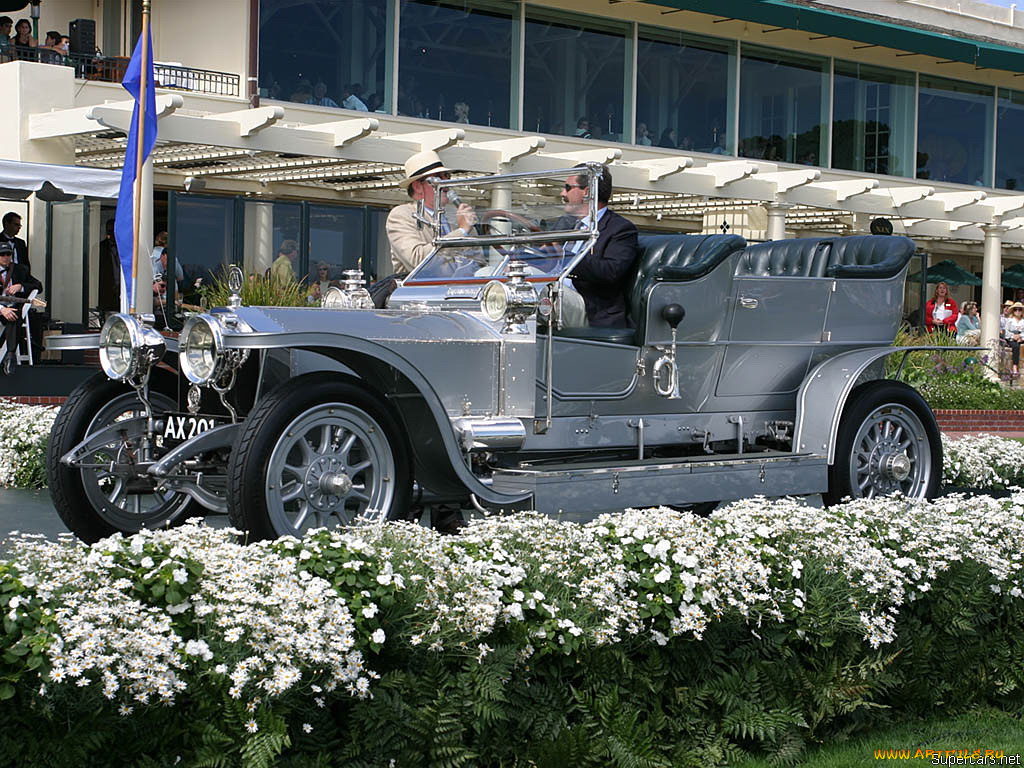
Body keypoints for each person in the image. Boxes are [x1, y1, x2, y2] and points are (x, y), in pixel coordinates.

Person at [560, 165, 639, 328]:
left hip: (591, 309)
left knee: (532, 294)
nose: (562, 193)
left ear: (587, 192)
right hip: (560, 296)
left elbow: (610, 271)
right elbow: (544, 258)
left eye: (567, 188)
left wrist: (564, 257)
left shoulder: (620, 229)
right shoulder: (564, 225)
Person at [386, 149, 476, 274]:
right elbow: (417, 260)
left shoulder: (458, 219)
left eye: (447, 176)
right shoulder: (402, 215)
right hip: (422, 292)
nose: (446, 183)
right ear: (417, 186)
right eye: (438, 178)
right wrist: (461, 231)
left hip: (463, 291)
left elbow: (478, 262)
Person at [0, 240, 41, 374]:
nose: (6, 257)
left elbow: (38, 286)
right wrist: (2, 309)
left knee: (15, 314)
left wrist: (21, 286)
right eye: (2, 254)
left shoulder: (20, 269)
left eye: (9, 254)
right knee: (11, 312)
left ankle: (10, 354)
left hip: (13, 309)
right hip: (0, 307)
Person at [98, 219, 120, 316]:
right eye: (109, 231)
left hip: (120, 287)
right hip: (107, 288)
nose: (112, 235)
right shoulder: (101, 247)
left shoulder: (123, 247)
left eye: (114, 231)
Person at [1005, 302, 1024, 375]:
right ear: (1013, 311)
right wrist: (1013, 336)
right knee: (1016, 347)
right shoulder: (1009, 320)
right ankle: (1015, 366)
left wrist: (1021, 337)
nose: (1018, 311)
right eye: (1016, 310)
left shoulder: (1023, 321)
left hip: (1021, 337)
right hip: (1011, 338)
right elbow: (1006, 331)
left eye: (1019, 310)